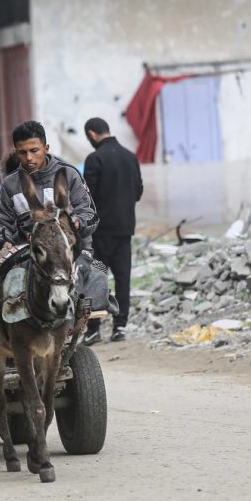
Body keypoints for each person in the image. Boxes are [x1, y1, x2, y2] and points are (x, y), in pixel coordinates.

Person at [0, 120, 98, 252]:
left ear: (46, 148)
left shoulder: (69, 174)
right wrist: (4, 241)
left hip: (73, 252)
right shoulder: (10, 184)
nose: (29, 157)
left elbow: (90, 215)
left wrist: (78, 222)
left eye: (34, 150)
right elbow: (1, 223)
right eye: (22, 152)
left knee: (97, 273)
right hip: (28, 255)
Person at [82, 117, 143, 344]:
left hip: (99, 236)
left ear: (91, 134)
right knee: (122, 278)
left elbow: (87, 197)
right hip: (124, 232)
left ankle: (94, 328)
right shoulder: (130, 156)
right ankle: (120, 327)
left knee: (96, 276)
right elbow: (138, 191)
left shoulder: (95, 158)